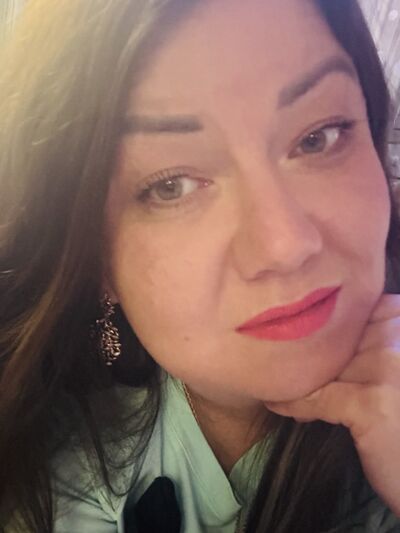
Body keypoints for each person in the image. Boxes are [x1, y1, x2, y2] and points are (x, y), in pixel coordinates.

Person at [1, 0, 400, 531]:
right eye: (172, 186)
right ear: (92, 257)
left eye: (318, 137)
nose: (284, 245)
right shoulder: (48, 478)